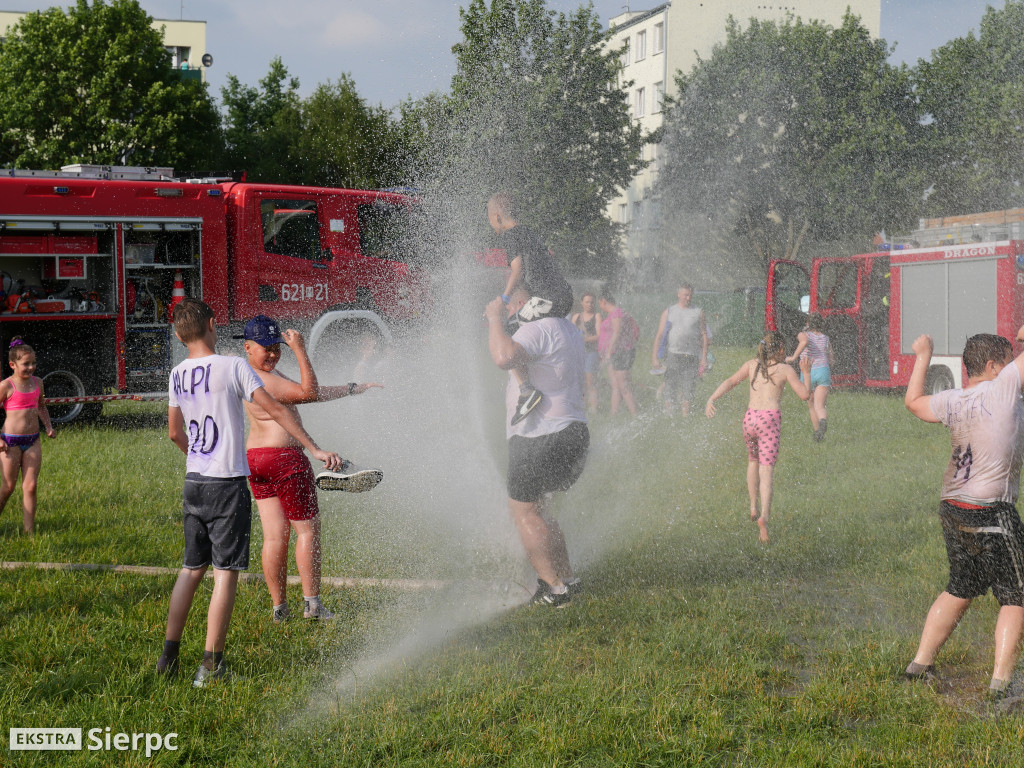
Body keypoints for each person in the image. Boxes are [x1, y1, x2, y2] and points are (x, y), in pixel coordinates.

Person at [157, 299, 342, 687]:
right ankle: (210, 666)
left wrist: (198, 459)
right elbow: (277, 410)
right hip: (226, 483)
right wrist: (314, 448)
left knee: (191, 570)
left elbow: (175, 433)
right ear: (213, 323)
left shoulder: (177, 373)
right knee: (225, 573)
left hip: (194, 482)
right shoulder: (233, 365)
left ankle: (168, 657)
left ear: (177, 335)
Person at [903, 331, 1024, 709]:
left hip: (953, 508)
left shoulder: (953, 399)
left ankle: (918, 667)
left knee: (961, 587)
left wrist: (923, 355)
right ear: (992, 367)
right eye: (1007, 360)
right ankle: (1001, 685)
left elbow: (913, 402)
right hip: (991, 510)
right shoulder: (1002, 388)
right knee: (1017, 594)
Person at [239, 315, 382, 624]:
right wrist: (300, 350)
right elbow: (309, 393)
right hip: (285, 460)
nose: (274, 353)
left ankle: (279, 609)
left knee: (275, 537)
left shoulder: (253, 374)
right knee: (307, 531)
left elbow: (306, 391)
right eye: (266, 348)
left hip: (257, 460)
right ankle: (313, 606)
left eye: (277, 347)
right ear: (248, 347)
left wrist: (353, 388)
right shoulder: (263, 378)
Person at [484, 287, 589, 608]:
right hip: (573, 432)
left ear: (525, 304)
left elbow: (503, 357)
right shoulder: (567, 327)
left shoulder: (536, 327)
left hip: (538, 437)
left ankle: (553, 589)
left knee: (524, 511)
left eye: (513, 302)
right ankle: (567, 578)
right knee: (541, 510)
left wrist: (494, 319)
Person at [705, 332, 810, 543]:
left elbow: (731, 381)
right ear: (780, 350)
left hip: (749, 419)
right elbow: (805, 395)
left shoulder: (752, 365)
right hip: (769, 420)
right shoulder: (785, 369)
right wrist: (806, 373)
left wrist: (712, 398)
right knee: (767, 470)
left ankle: (752, 506)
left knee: (752, 461)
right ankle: (764, 518)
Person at [487, 192, 575, 425]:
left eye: (489, 217)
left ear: (497, 216)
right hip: (562, 295)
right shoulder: (529, 233)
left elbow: (517, 270)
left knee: (507, 328)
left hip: (550, 298)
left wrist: (504, 299)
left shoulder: (510, 235)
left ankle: (527, 390)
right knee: (523, 323)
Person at [0, 338, 55, 534]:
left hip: (33, 440)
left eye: (33, 363)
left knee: (30, 486)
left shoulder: (38, 382)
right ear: (12, 365)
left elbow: (41, 406)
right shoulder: (6, 386)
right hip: (9, 442)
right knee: (7, 487)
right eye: (26, 364)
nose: (31, 367)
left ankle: (29, 532)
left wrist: (48, 427)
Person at [651, 283, 708, 416]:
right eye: (685, 295)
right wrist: (654, 357)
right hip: (673, 354)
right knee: (670, 385)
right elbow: (659, 335)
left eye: (690, 295)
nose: (688, 298)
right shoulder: (669, 311)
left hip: (691, 355)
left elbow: (704, 335)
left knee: (688, 387)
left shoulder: (698, 312)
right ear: (679, 295)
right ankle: (670, 415)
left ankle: (685, 417)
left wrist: (703, 357)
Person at [786, 313, 834, 441]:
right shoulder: (825, 338)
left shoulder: (804, 334)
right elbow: (831, 359)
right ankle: (822, 421)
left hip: (808, 371)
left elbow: (804, 342)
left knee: (811, 405)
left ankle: (818, 432)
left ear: (808, 324)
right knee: (820, 406)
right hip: (823, 371)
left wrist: (793, 357)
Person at [597, 291, 639, 417]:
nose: (600, 307)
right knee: (615, 386)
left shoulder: (617, 313)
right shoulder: (614, 313)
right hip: (616, 353)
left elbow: (617, 332)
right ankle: (613, 415)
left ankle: (635, 415)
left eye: (600, 304)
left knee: (624, 387)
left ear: (603, 301)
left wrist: (609, 352)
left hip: (622, 352)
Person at [571, 292, 602, 413]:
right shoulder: (576, 317)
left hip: (592, 352)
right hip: (579, 353)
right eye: (587, 302)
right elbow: (571, 334)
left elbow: (599, 336)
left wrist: (583, 339)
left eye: (592, 302)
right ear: (582, 303)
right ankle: (582, 407)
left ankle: (594, 408)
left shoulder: (597, 316)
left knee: (591, 381)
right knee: (580, 381)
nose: (589, 304)